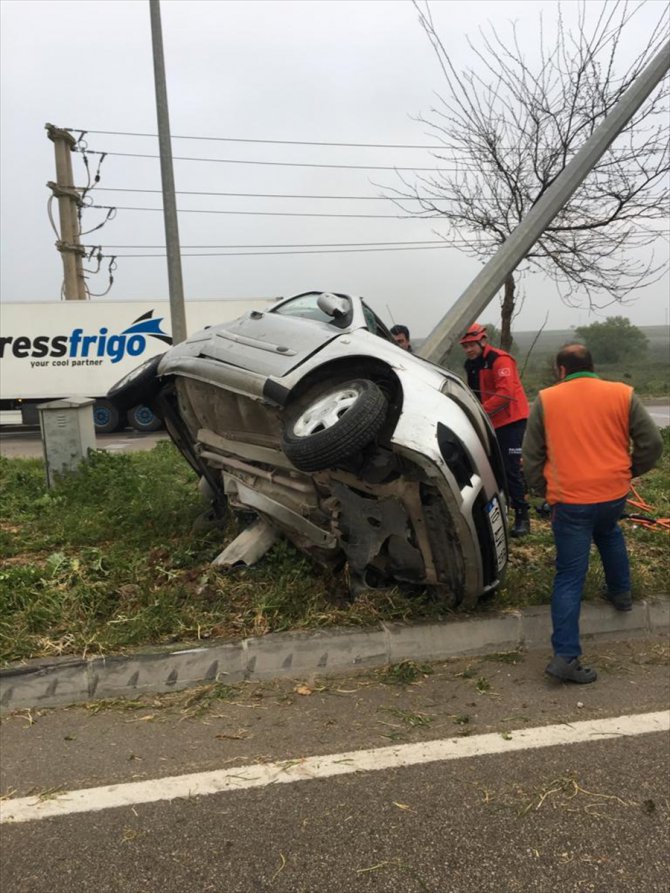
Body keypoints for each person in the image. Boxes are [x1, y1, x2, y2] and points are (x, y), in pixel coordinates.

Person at [522, 343, 663, 684]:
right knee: (609, 532)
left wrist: (542, 489)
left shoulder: (548, 399)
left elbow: (531, 456)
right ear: (592, 366)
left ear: (561, 370)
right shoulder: (621, 394)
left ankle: (566, 656)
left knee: (570, 575)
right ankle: (622, 594)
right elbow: (653, 444)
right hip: (611, 494)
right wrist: (628, 472)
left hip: (570, 500)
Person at [460, 323, 531, 537]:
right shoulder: (470, 364)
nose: (468, 350)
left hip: (511, 422)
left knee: (511, 467)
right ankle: (501, 510)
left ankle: (522, 516)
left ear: (483, 341)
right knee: (491, 468)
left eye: (471, 345)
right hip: (489, 422)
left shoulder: (500, 360)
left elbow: (505, 393)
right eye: (465, 346)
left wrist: (479, 412)